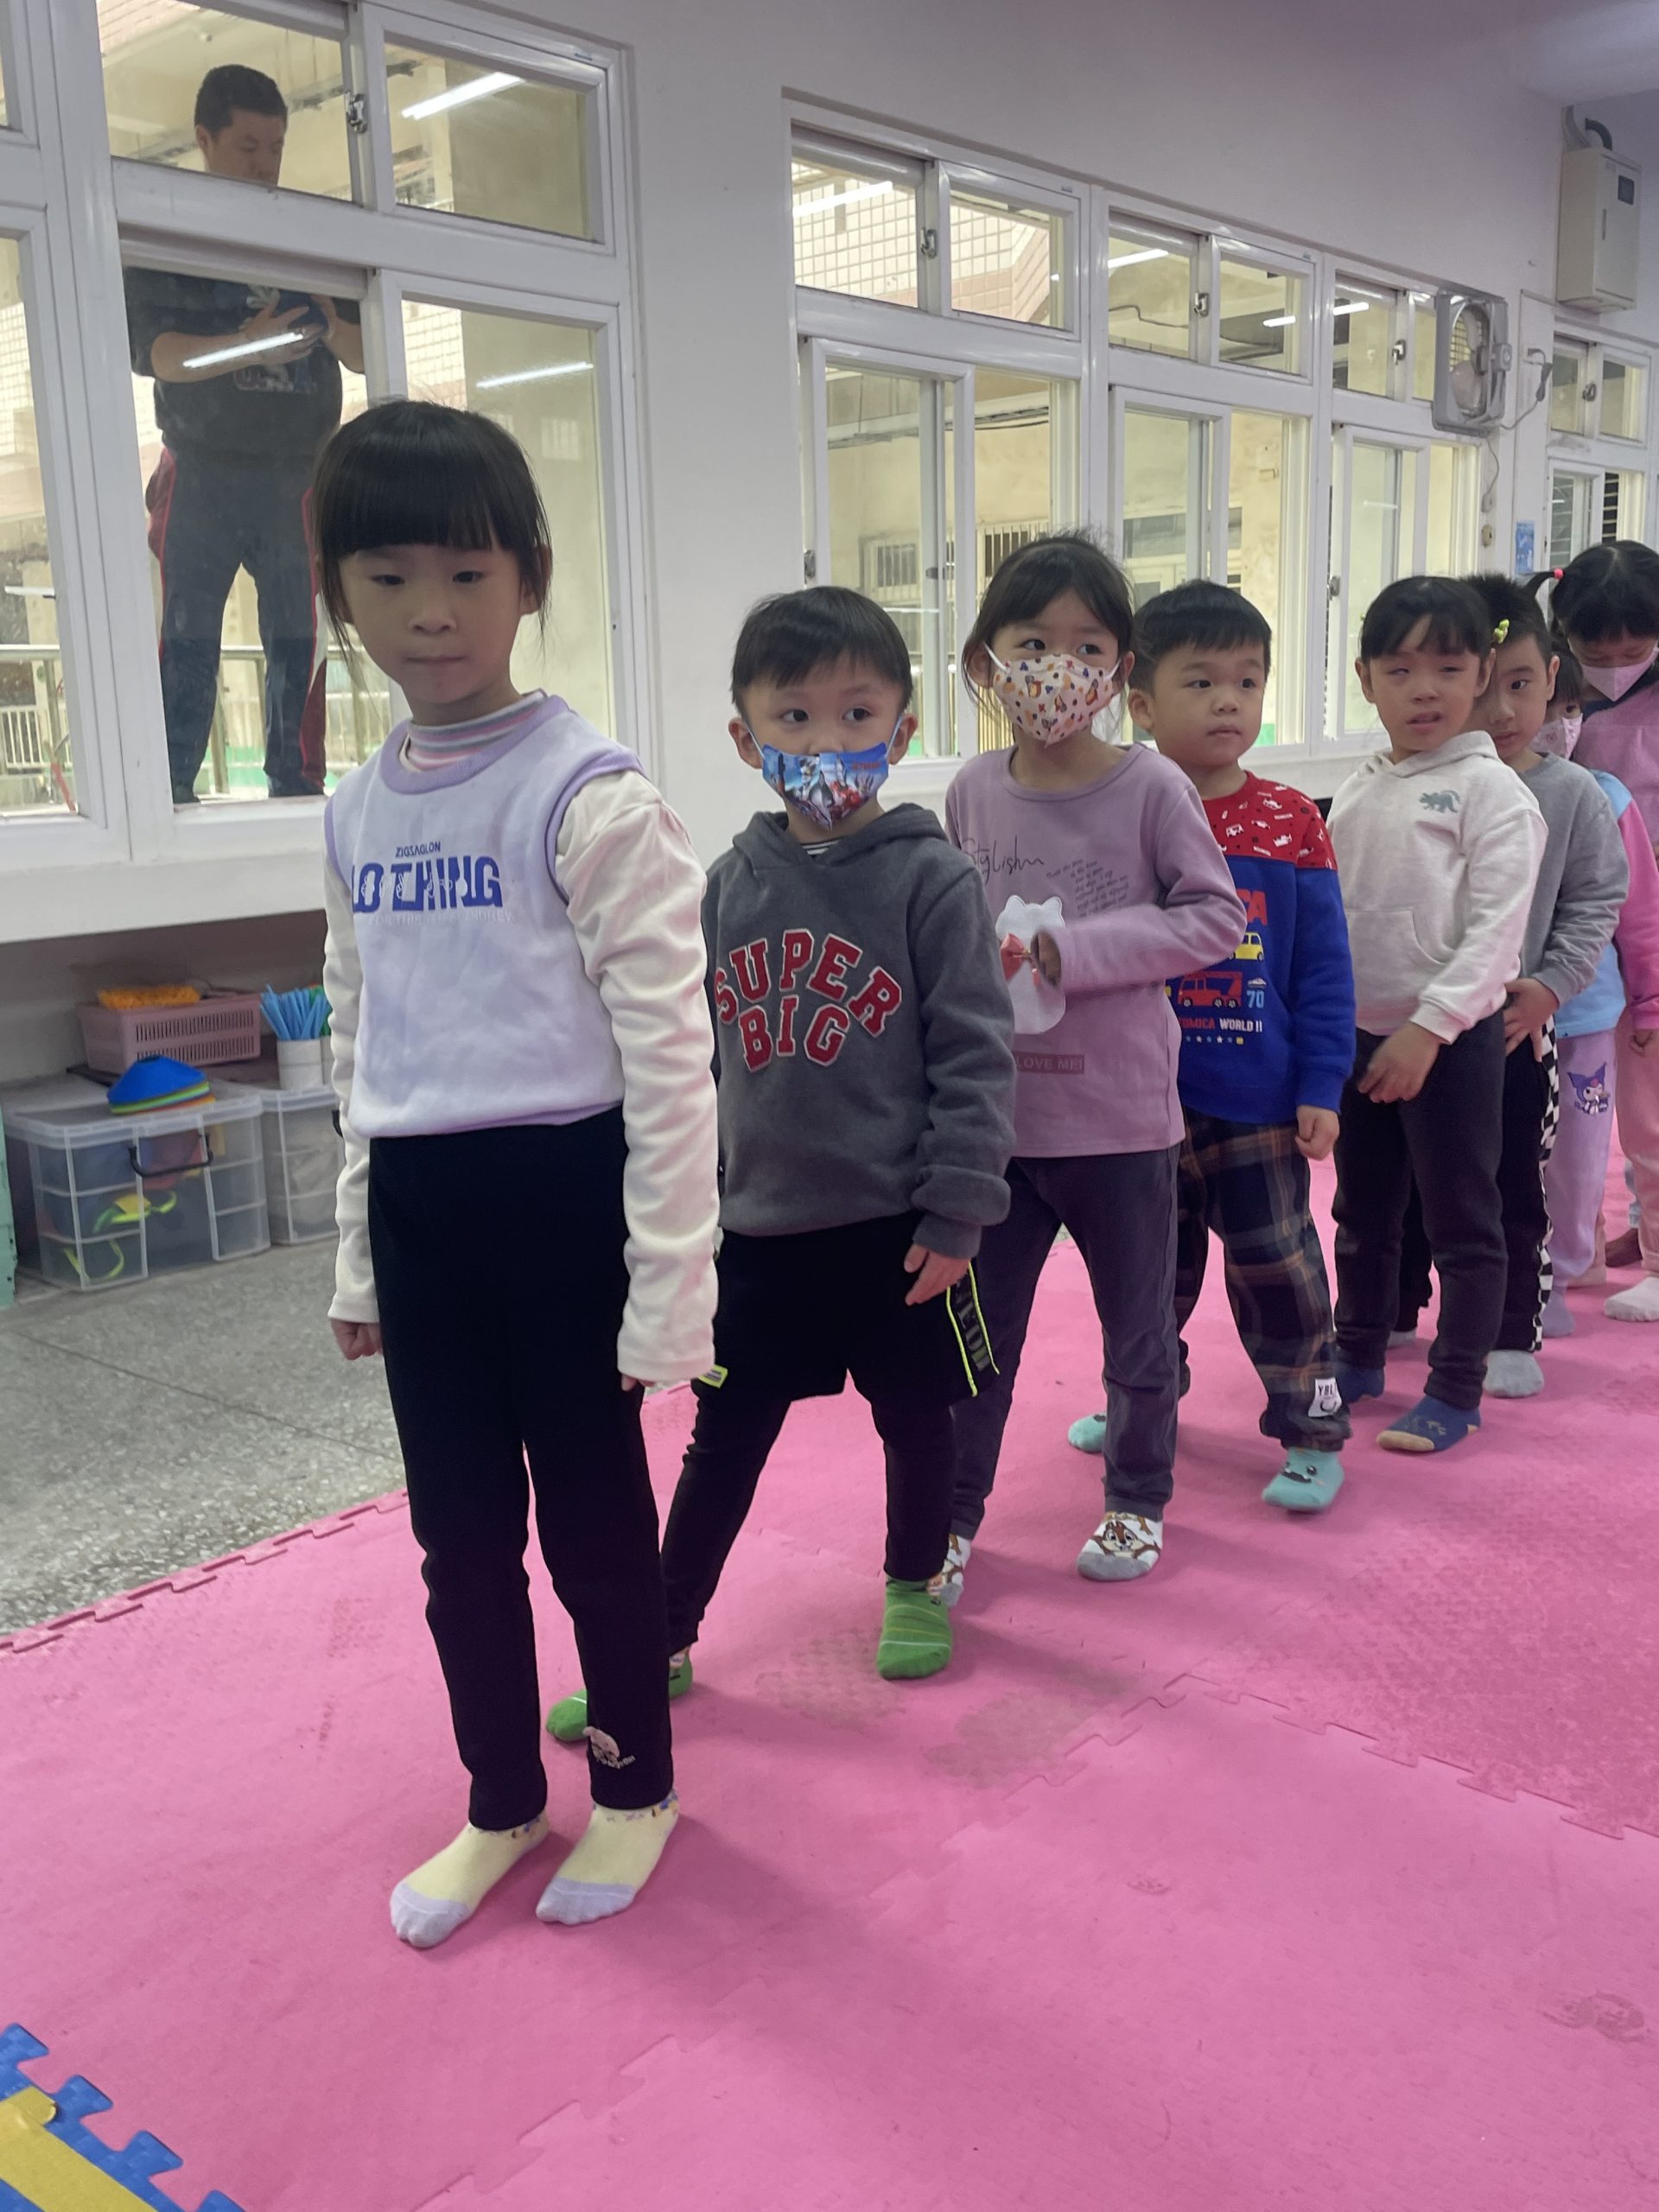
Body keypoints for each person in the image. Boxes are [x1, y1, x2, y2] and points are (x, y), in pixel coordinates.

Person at [317, 400, 719, 1948]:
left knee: (595, 1532)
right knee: (459, 1538)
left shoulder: (589, 792)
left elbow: (673, 1058)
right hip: (426, 1212)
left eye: (469, 575)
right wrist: (361, 1256)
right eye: (389, 576)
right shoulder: (357, 808)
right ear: (338, 594)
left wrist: (672, 1289)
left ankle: (634, 1787)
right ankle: (499, 1798)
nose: (431, 612)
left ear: (531, 579)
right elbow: (359, 1038)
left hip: (565, 1202)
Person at [542, 588, 1014, 1727]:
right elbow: (689, 1060)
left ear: (901, 729)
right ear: (748, 739)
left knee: (919, 1421)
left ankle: (914, 1584)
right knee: (722, 1442)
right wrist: (674, 1214)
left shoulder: (931, 879)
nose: (826, 743)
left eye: (857, 714)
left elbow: (976, 1054)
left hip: (898, 1234)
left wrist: (957, 1212)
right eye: (794, 718)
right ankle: (660, 1630)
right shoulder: (727, 888)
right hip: (755, 1236)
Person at [942, 535, 1244, 1592]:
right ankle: (950, 1514)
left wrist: (1081, 949)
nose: (1057, 668)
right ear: (986, 662)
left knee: (1138, 1333)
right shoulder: (972, 791)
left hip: (1120, 1122)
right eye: (1033, 644)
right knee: (974, 1341)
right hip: (997, 1127)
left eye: (1086, 645)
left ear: (1119, 668)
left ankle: (1135, 1497)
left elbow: (1214, 918)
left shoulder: (1152, 786)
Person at [1068, 581, 1355, 1510]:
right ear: (1142, 704)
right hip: (1137, 1100)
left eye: (1247, 681)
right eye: (1201, 682)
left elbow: (1323, 968)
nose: (1229, 701)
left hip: (1257, 1100)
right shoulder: (1117, 813)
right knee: (1145, 1280)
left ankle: (1311, 1428)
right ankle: (1142, 1402)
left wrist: (1322, 1083)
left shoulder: (1290, 820)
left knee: (1280, 1270)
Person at [1390, 577, 1625, 1395]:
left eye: (1519, 684)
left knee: (1506, 1181)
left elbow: (1596, 900)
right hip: (1408, 1021)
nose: (1498, 710)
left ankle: (1507, 1327)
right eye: (1481, 686)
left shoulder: (1572, 793)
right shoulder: (1402, 782)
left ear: (1552, 677)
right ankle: (1392, 1306)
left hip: (1511, 1028)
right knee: (1397, 1179)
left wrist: (1551, 985)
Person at [1327, 577, 1546, 1452]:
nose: (1425, 690)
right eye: (1400, 669)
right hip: (1359, 1035)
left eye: (1449, 669)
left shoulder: (1494, 793)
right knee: (1362, 1212)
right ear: (1365, 678)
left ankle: (1456, 1387)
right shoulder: (1358, 786)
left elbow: (1497, 934)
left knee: (1462, 1219)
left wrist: (1427, 1030)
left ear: (1482, 673)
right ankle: (1357, 1352)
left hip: (1451, 1042)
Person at [124, 66, 363, 804]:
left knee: (299, 637)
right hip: (200, 466)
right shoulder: (165, 233)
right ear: (205, 139)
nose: (266, 165)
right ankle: (169, 787)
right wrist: (247, 345)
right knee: (186, 634)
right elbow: (159, 355)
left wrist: (326, 306)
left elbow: (366, 352)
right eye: (249, 147)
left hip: (297, 472)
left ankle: (298, 783)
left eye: (276, 148)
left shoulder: (309, 238)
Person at [1541, 542, 1659, 1319]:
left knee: (1649, 1105)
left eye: (1633, 650)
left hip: (1648, 918)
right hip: (1580, 925)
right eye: (1598, 652)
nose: (1615, 666)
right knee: (1574, 1104)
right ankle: (1576, 1247)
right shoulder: (1558, 700)